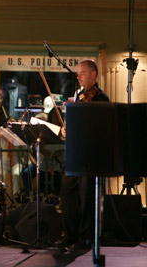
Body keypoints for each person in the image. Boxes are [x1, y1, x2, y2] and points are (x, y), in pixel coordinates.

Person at [58, 59, 109, 250]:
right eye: (78, 73)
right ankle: (69, 234)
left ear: (94, 75)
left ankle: (86, 236)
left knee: (88, 197)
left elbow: (99, 128)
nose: (78, 77)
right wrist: (67, 129)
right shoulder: (78, 96)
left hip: (90, 157)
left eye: (82, 73)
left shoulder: (101, 98)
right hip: (74, 156)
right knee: (67, 193)